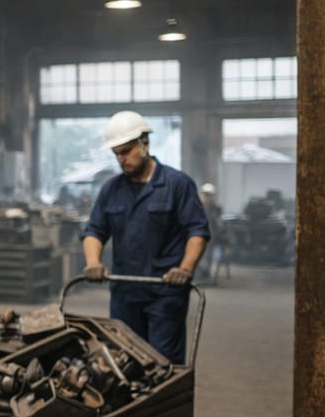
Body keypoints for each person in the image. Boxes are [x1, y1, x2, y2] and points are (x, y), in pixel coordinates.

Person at [80, 111, 210, 364]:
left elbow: (197, 231)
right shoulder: (111, 190)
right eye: (116, 154)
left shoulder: (177, 184)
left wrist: (185, 269)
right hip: (125, 294)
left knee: (162, 364)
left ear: (144, 144)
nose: (121, 159)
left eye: (126, 151)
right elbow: (94, 231)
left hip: (165, 293)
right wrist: (93, 262)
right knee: (125, 362)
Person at [200, 182, 231, 286]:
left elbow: (218, 222)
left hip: (210, 235)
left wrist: (222, 233)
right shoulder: (198, 205)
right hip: (201, 234)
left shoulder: (215, 207)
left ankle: (205, 276)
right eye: (206, 195)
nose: (207, 197)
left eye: (209, 195)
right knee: (202, 256)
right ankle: (202, 276)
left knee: (207, 256)